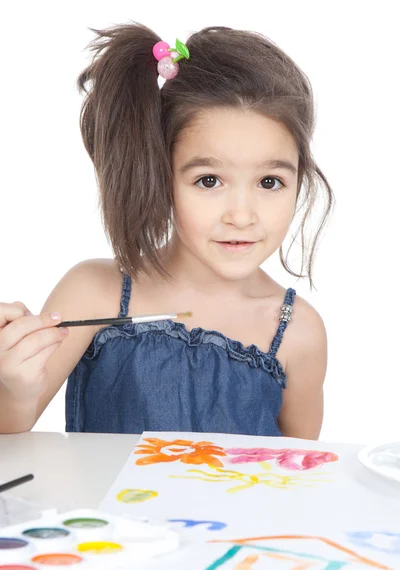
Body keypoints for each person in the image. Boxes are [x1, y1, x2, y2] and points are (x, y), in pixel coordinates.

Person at [0, 22, 334, 438]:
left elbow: (300, 474)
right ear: (160, 176)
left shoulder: (298, 331)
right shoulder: (94, 291)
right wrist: (13, 387)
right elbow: (10, 429)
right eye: (208, 181)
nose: (242, 216)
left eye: (270, 182)